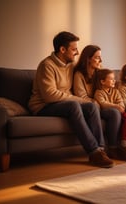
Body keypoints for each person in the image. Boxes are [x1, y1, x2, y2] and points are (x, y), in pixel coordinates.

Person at [28, 31, 114, 168]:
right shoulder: (47, 65)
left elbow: (88, 68)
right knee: (74, 106)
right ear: (62, 50)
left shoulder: (70, 65)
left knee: (91, 107)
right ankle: (93, 152)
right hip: (43, 106)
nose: (77, 52)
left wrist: (98, 66)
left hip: (63, 104)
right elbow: (49, 95)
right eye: (74, 49)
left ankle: (101, 150)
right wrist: (80, 100)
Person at [73, 45, 126, 161]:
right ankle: (103, 149)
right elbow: (81, 97)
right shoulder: (79, 75)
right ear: (88, 59)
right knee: (110, 111)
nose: (101, 60)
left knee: (115, 113)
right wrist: (97, 103)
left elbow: (110, 86)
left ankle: (112, 147)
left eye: (100, 57)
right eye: (97, 57)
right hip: (91, 107)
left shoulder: (100, 72)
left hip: (102, 106)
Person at [93, 69, 126, 161]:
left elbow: (121, 101)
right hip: (104, 112)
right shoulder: (98, 92)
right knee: (114, 112)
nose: (114, 81)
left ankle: (124, 146)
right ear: (103, 81)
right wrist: (116, 106)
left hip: (117, 112)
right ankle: (112, 147)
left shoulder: (115, 91)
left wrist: (120, 106)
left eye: (114, 79)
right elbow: (103, 104)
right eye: (111, 79)